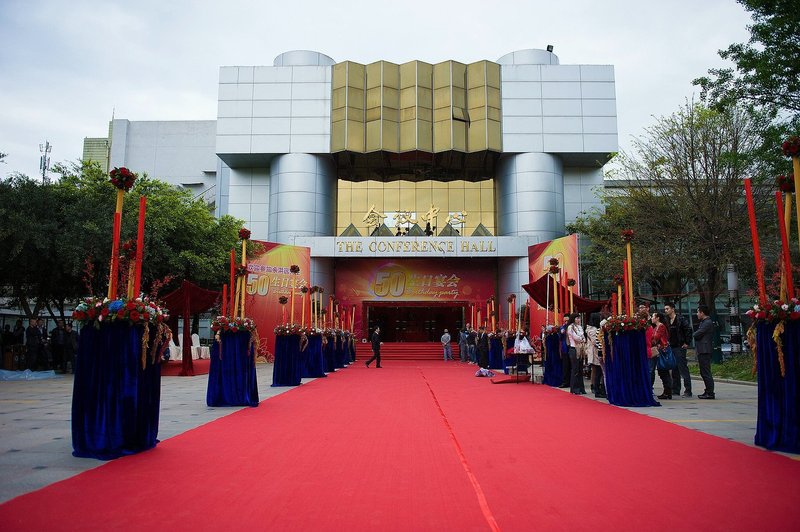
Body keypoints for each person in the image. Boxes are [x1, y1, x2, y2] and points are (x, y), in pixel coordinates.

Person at [664, 303, 692, 397]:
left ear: (672, 309)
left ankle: (688, 390)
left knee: (683, 368)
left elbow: (688, 329)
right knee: (674, 368)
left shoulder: (680, 319)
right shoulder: (667, 320)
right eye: (665, 309)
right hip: (671, 346)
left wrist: (686, 342)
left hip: (679, 346)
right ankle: (676, 389)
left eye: (667, 308)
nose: (666, 310)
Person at [648, 312, 673, 399]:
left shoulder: (661, 326)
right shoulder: (656, 327)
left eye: (653, 316)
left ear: (657, 318)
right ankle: (667, 391)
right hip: (659, 351)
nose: (651, 318)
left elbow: (655, 338)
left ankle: (668, 391)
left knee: (663, 370)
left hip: (662, 351)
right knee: (662, 371)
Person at [694, 305, 715, 399]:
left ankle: (710, 392)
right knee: (703, 372)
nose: (697, 314)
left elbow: (698, 334)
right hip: (702, 349)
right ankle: (707, 390)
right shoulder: (704, 322)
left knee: (706, 372)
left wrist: (695, 334)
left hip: (704, 349)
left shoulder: (707, 322)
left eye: (698, 312)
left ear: (702, 312)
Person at [586, 313, 606, 398]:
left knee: (596, 370)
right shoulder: (593, 330)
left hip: (594, 350)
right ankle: (595, 386)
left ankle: (594, 385)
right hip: (595, 351)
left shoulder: (591, 329)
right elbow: (595, 342)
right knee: (597, 370)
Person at [566, 314, 587, 394]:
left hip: (581, 348)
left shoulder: (579, 327)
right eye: (577, 318)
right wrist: (581, 338)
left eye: (579, 318)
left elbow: (583, 337)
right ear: (573, 319)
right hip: (574, 349)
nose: (578, 320)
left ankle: (581, 388)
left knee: (580, 369)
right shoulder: (570, 327)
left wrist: (581, 338)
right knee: (575, 369)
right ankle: (574, 388)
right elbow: (576, 337)